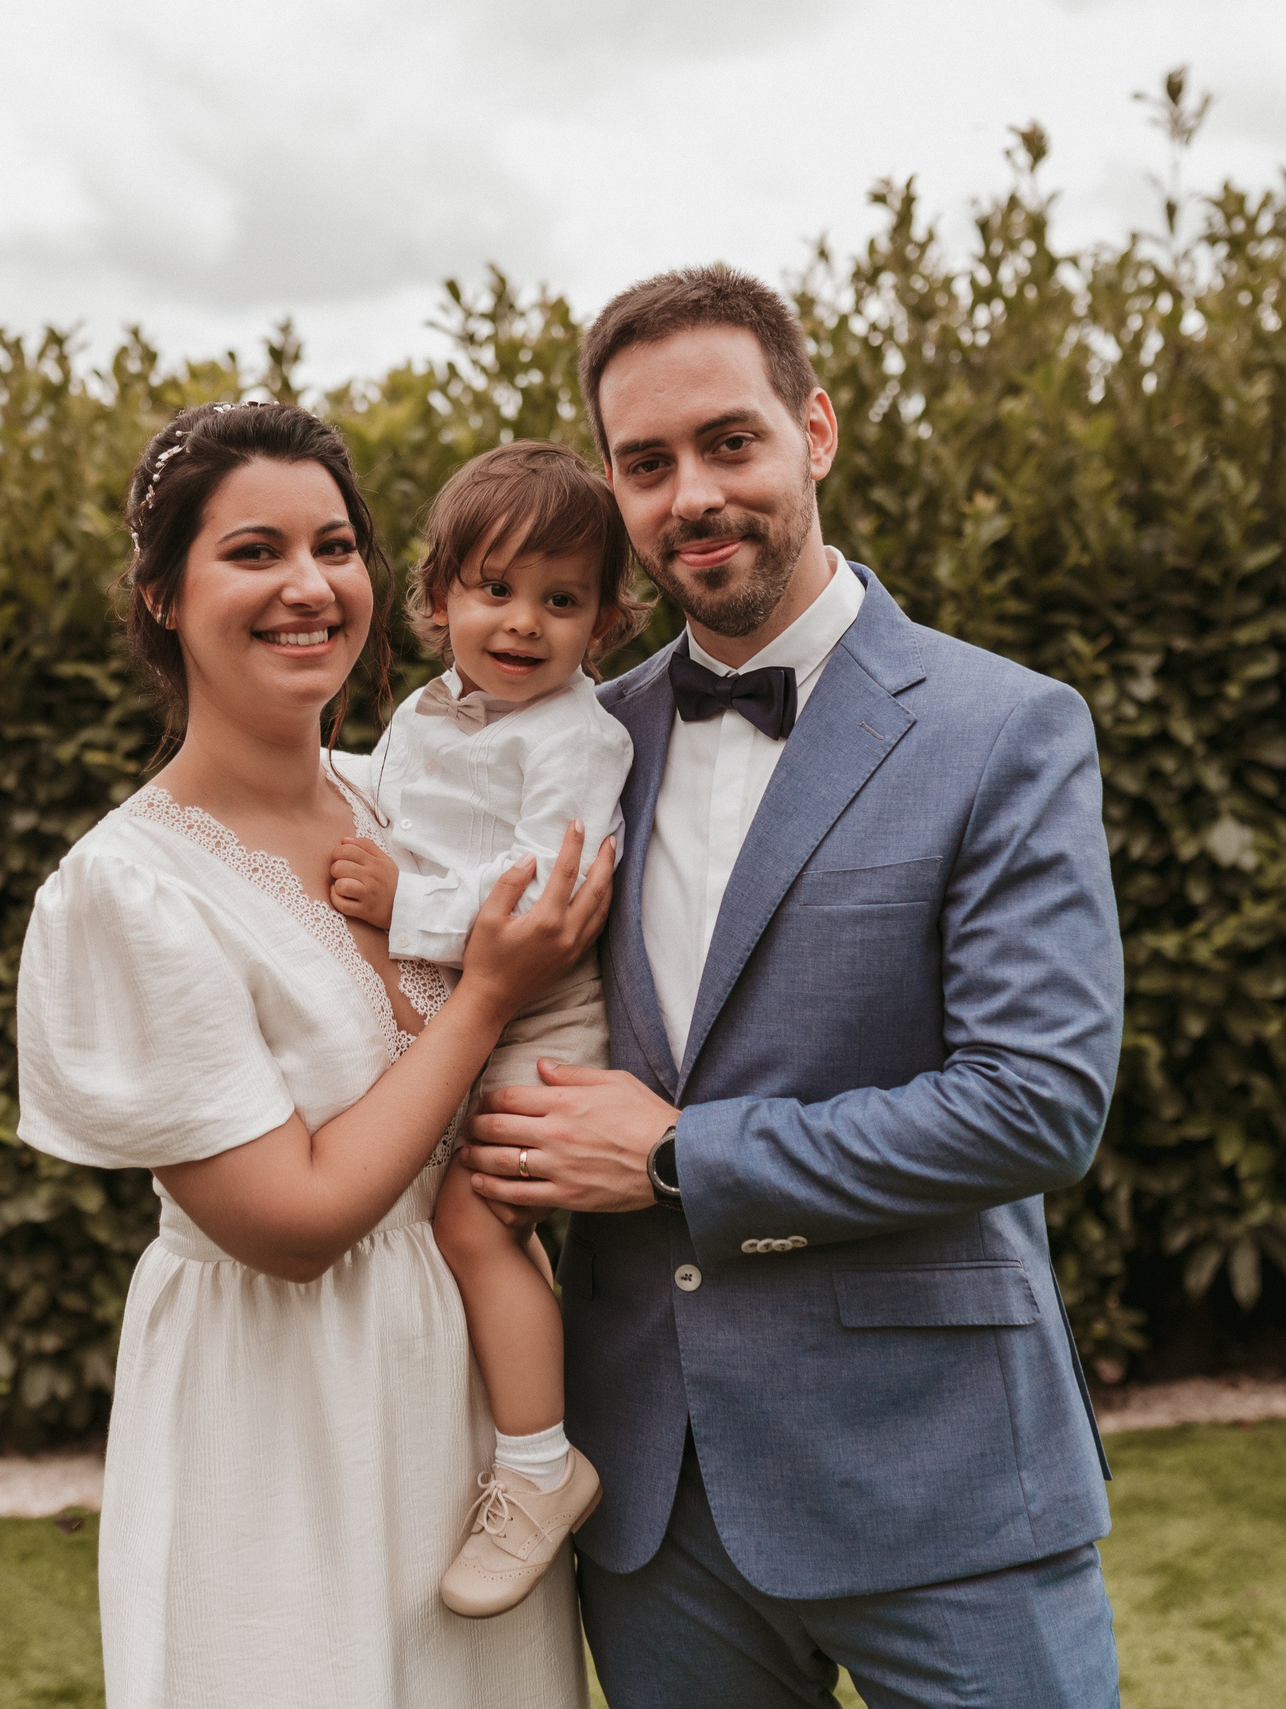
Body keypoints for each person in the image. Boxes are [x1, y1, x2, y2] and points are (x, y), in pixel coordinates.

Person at [461, 266, 1127, 1707]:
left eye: (729, 442)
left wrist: (676, 1156)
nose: (692, 494)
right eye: (647, 463)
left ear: (813, 430)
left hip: (943, 1477)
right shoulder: (577, 742)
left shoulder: (1004, 728)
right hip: (656, 1499)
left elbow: (1036, 1104)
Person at [15, 401, 607, 1709]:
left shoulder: (407, 803)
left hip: (467, 1413)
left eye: (334, 546)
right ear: (163, 594)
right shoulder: (129, 889)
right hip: (280, 1411)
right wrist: (485, 995)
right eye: (253, 551)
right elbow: (290, 1224)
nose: (308, 585)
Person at [323, 440, 647, 1618]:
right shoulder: (420, 714)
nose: (521, 622)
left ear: (602, 622)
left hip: (542, 1020)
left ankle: (538, 1467)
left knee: (472, 1220)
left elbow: (544, 895)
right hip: (461, 1004)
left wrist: (401, 901)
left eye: (560, 600)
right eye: (495, 589)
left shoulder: (579, 737)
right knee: (422, 1206)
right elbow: (386, 802)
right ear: (438, 596)